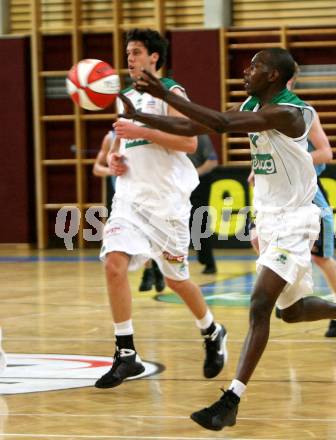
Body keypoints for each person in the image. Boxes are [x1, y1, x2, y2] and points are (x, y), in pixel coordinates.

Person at [119, 47, 336, 430]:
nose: (245, 71)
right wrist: (140, 114)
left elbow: (219, 122)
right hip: (268, 220)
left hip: (297, 221)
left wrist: (165, 94)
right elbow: (192, 128)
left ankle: (231, 400)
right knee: (290, 312)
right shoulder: (254, 101)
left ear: (274, 76)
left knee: (259, 305)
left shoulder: (290, 112)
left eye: (255, 66)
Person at [96, 28, 228, 389]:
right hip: (130, 199)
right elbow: (119, 145)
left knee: (176, 278)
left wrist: (149, 132)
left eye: (136, 52)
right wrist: (114, 159)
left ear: (154, 57)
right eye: (128, 53)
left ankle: (212, 329)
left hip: (167, 202)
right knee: (114, 264)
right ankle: (126, 353)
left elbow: (188, 141)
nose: (130, 58)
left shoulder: (171, 91)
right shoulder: (123, 95)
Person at [250, 68, 336, 338]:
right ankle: (286, 294)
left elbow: (326, 151)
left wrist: (296, 163)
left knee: (322, 256)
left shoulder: (301, 111)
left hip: (304, 195)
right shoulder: (258, 108)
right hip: (274, 197)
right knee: (256, 238)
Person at [93, 130, 165, 293]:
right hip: (123, 198)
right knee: (135, 238)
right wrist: (112, 169)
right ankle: (149, 270)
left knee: (152, 236)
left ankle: (155, 269)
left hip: (148, 193)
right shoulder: (110, 137)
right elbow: (97, 168)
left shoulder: (145, 133)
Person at [188, 134, 218, 274]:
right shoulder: (170, 133)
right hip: (178, 184)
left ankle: (209, 262)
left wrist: (192, 174)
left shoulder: (200, 135)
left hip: (200, 183)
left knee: (199, 221)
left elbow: (212, 162)